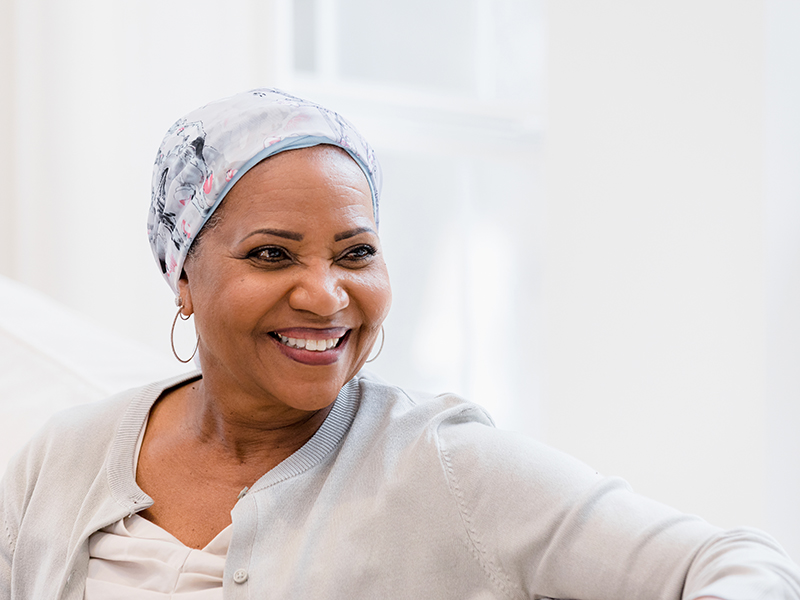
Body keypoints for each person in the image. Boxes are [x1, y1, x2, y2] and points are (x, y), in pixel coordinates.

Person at [1, 88, 798, 600]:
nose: (326, 294)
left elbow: (736, 564)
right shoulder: (65, 455)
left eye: (355, 252)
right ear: (183, 276)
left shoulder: (443, 466)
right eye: (272, 254)